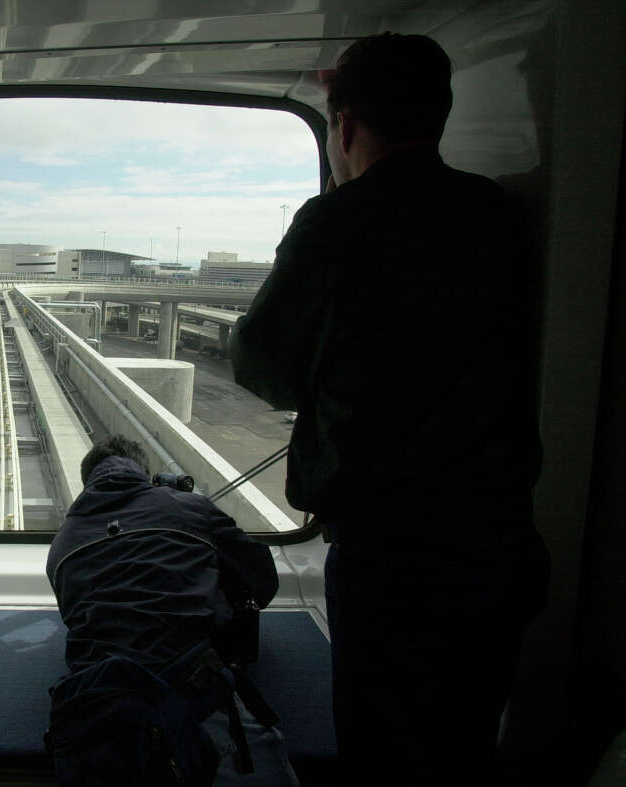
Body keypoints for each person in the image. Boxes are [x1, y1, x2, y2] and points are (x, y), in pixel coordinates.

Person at [229, 33, 550, 785]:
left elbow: (261, 362)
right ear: (437, 114)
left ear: (343, 127)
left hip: (391, 561)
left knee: (381, 752)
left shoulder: (336, 221)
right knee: (465, 747)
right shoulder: (498, 213)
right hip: (499, 546)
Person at [45, 436, 298, 786]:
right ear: (143, 473)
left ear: (88, 481)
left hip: (96, 714)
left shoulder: (61, 545)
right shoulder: (188, 507)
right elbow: (264, 581)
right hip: (192, 693)